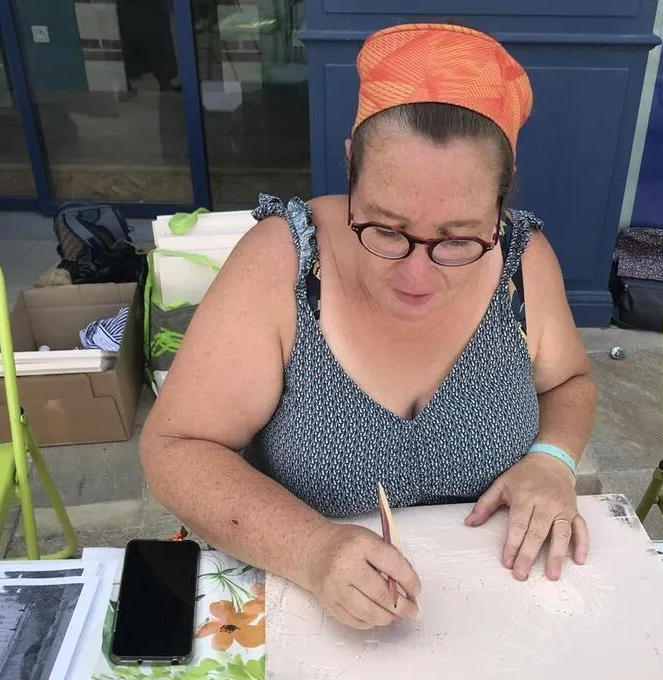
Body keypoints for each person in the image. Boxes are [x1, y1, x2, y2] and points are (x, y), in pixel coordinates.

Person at [140, 22, 597, 631]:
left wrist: (551, 459)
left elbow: (569, 382)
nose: (416, 277)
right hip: (300, 615)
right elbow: (176, 449)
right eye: (385, 229)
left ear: (501, 201)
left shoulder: (522, 262)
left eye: (459, 239)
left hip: (492, 620)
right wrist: (311, 549)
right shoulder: (284, 262)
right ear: (351, 163)